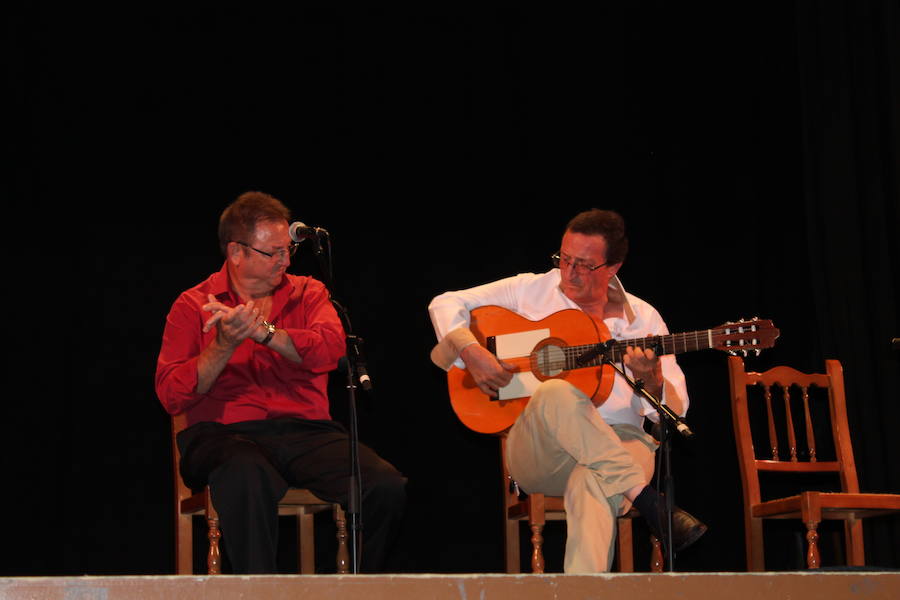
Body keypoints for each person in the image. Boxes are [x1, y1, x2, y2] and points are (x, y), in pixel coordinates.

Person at [427, 208, 706, 573]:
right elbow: (445, 302)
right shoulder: (530, 290)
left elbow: (672, 414)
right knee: (556, 391)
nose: (568, 273)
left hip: (621, 441)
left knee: (594, 481)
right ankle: (646, 498)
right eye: (564, 259)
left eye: (583, 264)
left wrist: (650, 380)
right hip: (542, 448)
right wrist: (471, 352)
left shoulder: (643, 319)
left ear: (613, 267)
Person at [156, 191, 406, 573]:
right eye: (272, 253)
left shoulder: (310, 293)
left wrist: (265, 333)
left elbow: (332, 351)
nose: (285, 260)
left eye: (287, 250)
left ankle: (360, 590)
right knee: (246, 473)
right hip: (224, 434)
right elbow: (172, 394)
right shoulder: (192, 304)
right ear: (236, 252)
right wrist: (224, 344)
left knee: (383, 484)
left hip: (306, 432)